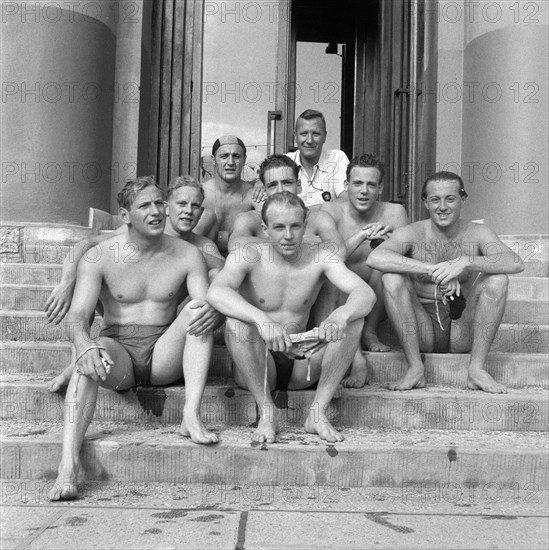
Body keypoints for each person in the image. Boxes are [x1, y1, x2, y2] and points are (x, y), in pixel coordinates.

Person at [48, 177, 220, 501]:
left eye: (159, 203)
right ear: (125, 215)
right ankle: (68, 466)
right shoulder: (100, 256)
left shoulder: (187, 254)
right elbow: (77, 316)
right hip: (119, 352)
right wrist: (83, 345)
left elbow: (207, 311)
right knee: (90, 357)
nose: (156, 211)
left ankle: (191, 415)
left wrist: (215, 310)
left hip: (164, 354)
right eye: (145, 206)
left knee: (199, 308)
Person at [207, 192, 376, 444]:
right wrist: (262, 320)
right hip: (261, 361)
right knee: (236, 324)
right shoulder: (248, 253)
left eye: (295, 226)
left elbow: (365, 293)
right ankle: (266, 412)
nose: (288, 236)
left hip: (304, 358)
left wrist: (341, 314)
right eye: (279, 227)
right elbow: (217, 291)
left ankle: (317, 414)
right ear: (265, 229)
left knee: (353, 320)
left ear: (305, 226)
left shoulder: (320, 254)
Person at [46, 176, 224, 392]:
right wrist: (66, 283)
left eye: (195, 206)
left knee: (214, 280)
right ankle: (77, 362)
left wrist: (215, 303)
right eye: (181, 204)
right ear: (168, 206)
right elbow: (86, 244)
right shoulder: (138, 230)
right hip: (121, 320)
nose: (188, 211)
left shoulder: (201, 247)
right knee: (88, 277)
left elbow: (226, 278)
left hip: (168, 328)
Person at [367, 171, 525, 393]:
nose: (442, 206)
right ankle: (415, 367)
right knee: (391, 278)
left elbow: (515, 263)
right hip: (422, 329)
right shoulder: (414, 232)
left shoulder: (478, 232)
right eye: (435, 199)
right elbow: (376, 257)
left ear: (462, 199)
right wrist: (435, 270)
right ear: (425, 203)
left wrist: (466, 262)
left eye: (450, 198)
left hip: (461, 328)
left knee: (498, 280)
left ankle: (476, 369)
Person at [320, 154, 409, 387]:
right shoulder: (331, 211)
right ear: (346, 185)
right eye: (357, 183)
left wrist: (388, 244)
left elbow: (407, 260)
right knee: (333, 273)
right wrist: (363, 235)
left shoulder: (395, 213)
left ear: (380, 188)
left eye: (371, 184)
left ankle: (370, 331)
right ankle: (355, 352)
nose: (364, 191)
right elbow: (331, 258)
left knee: (386, 265)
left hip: (377, 295)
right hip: (342, 296)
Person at [194, 135, 263, 254]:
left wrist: (264, 181)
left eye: (236, 156)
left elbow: (273, 232)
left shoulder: (254, 194)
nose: (230, 162)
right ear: (213, 159)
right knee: (205, 217)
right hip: (203, 263)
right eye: (224, 156)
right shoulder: (200, 193)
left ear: (245, 159)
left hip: (244, 262)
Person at [286, 109, 349, 207]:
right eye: (304, 134)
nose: (309, 140)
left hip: (327, 222)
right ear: (295, 137)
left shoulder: (337, 158)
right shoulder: (286, 162)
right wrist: (260, 181)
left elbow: (346, 200)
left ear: (324, 136)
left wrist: (306, 212)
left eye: (316, 134)